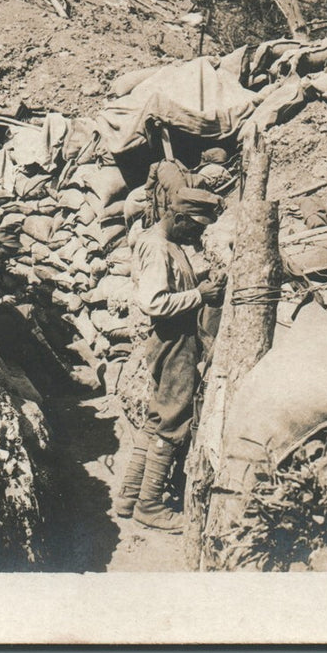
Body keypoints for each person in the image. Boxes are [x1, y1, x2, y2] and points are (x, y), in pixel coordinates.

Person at [112, 185, 226, 532]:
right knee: (173, 422)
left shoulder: (166, 243)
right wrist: (200, 295)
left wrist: (201, 280)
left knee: (155, 418)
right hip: (174, 340)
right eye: (194, 226)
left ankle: (130, 496)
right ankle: (151, 505)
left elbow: (173, 284)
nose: (198, 233)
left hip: (171, 339)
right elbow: (154, 302)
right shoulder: (159, 247)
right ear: (177, 218)